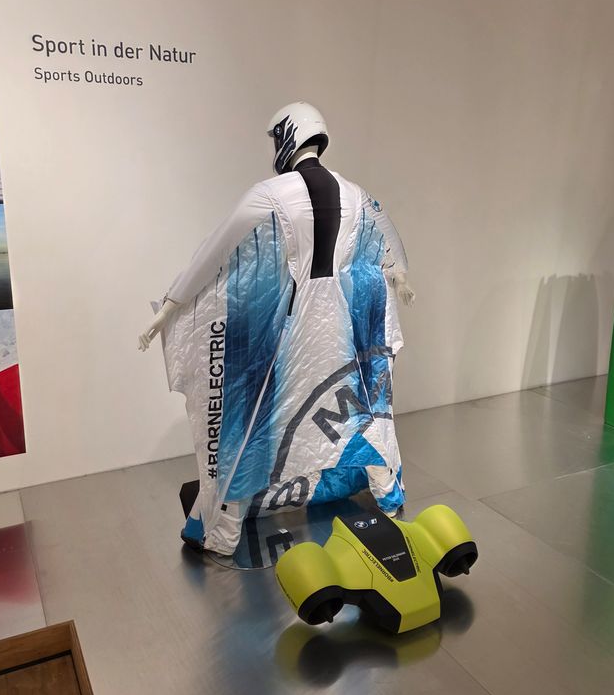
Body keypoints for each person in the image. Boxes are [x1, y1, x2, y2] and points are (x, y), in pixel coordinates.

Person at [140, 102, 415, 555]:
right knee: (358, 408)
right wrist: (400, 278)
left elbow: (213, 252)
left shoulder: (269, 193)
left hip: (289, 333)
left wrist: (172, 305)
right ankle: (388, 494)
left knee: (256, 423)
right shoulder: (356, 193)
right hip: (340, 329)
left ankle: (224, 531)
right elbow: (389, 238)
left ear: (288, 136)